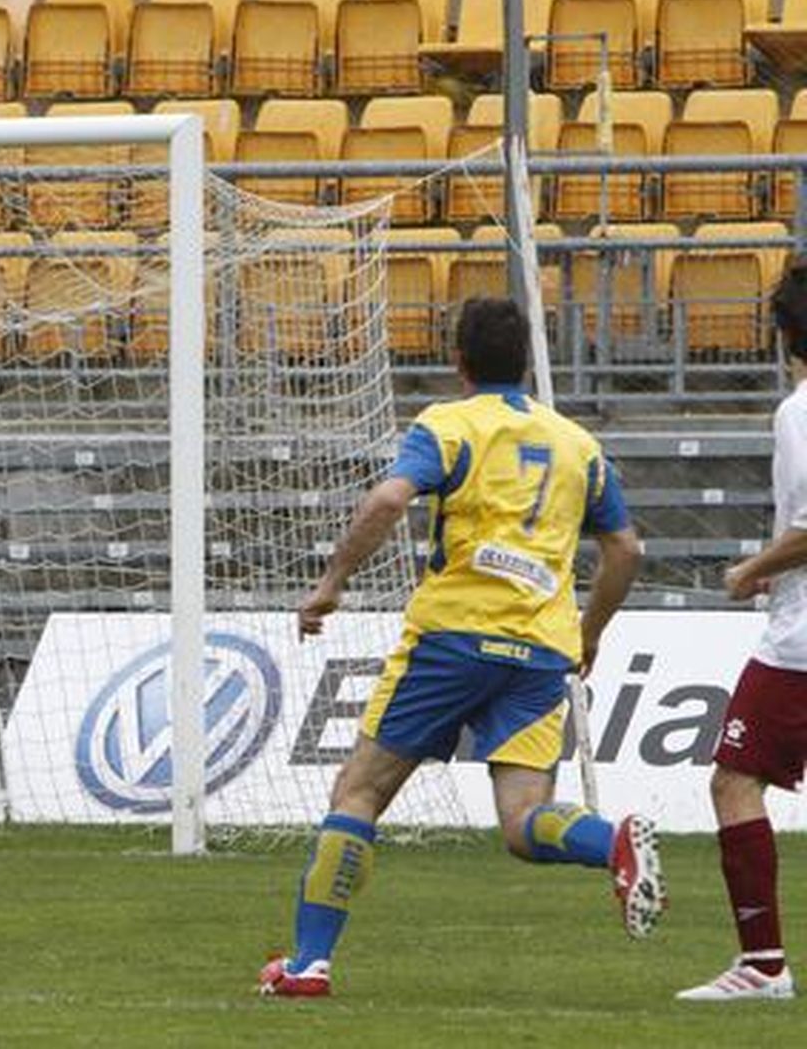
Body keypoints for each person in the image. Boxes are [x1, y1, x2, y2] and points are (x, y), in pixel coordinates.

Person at [258, 298, 663, 998]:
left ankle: (308, 965)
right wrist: (589, 633)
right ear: (526, 361)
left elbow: (389, 500)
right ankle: (613, 841)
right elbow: (625, 549)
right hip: (540, 652)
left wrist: (331, 583)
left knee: (359, 791)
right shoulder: (577, 444)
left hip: (452, 640)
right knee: (523, 823)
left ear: (459, 361)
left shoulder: (448, 424)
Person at [675, 264, 807, 1002]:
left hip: (800, 645)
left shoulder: (800, 410)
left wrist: (751, 568)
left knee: (734, 780)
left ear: (783, 334)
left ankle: (762, 964)